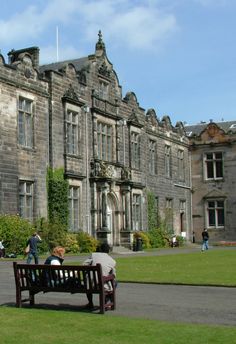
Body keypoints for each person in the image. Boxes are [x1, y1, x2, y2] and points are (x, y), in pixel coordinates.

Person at [83, 242, 116, 309]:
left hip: (89, 284)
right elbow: (113, 275)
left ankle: (90, 303)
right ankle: (105, 302)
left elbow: (84, 265)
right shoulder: (112, 261)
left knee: (89, 279)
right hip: (102, 285)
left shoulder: (93, 255)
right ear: (108, 251)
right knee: (114, 283)